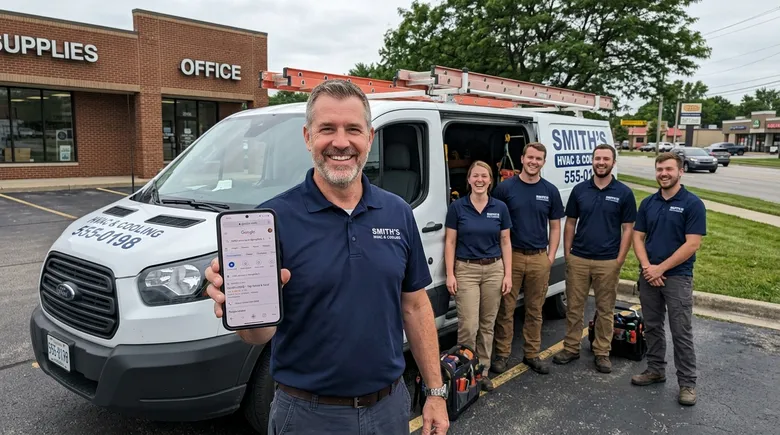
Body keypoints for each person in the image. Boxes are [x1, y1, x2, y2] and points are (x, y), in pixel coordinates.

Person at [204, 79, 450, 434]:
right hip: (306, 416)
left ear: (370, 138)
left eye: (353, 129)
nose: (340, 142)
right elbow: (258, 335)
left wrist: (436, 391)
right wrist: (241, 307)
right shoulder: (270, 221)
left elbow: (414, 305)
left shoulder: (397, 212)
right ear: (307, 138)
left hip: (389, 410)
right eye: (327, 129)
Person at [630, 152, 706, 407]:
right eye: (660, 169)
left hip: (677, 277)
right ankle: (655, 370)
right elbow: (637, 237)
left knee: (681, 331)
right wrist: (646, 267)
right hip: (649, 274)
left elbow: (692, 244)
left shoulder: (692, 204)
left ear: (680, 171)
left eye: (669, 169)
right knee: (652, 326)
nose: (663, 173)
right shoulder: (649, 203)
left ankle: (687, 383)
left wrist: (660, 269)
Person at [553, 144, 637, 373]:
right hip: (579, 258)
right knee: (574, 307)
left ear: (613, 162)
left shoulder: (624, 193)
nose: (601, 162)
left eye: (606, 159)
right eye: (597, 158)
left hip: (608, 261)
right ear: (592, 161)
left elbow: (628, 228)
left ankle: (602, 352)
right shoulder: (580, 190)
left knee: (605, 309)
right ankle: (571, 348)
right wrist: (568, 254)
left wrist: (620, 258)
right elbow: (570, 223)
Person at [490, 142, 565, 375]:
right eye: (530, 157)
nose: (534, 162)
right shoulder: (505, 188)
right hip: (511, 257)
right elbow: (495, 222)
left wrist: (551, 256)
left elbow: (555, 226)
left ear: (544, 162)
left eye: (539, 159)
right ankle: (502, 355)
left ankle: (531, 354)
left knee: (535, 309)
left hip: (538, 258)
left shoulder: (550, 190)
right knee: (506, 309)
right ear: (521, 159)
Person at [444, 160, 513, 392]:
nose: (480, 180)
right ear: (469, 179)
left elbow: (505, 241)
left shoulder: (500, 208)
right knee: (468, 326)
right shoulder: (458, 208)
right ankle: (464, 371)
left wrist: (508, 274)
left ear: (490, 180)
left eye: (484, 176)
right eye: (475, 176)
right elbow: (450, 241)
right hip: (467, 270)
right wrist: (450, 274)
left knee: (487, 324)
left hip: (494, 269)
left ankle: (482, 371)